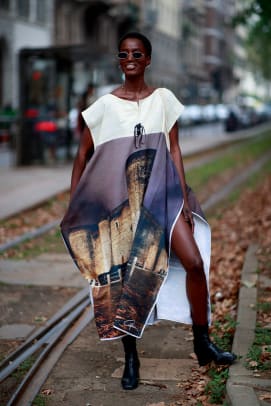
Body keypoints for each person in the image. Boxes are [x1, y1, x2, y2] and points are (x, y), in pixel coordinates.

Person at [61, 32, 236, 391]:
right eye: (124, 54)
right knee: (126, 280)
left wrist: (185, 199)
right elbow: (83, 157)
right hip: (123, 205)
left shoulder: (163, 100)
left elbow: (174, 149)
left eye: (137, 53)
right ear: (119, 59)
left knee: (194, 262)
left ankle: (202, 343)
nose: (130, 59)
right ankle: (131, 357)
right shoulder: (105, 105)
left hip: (164, 197)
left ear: (148, 59)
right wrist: (77, 204)